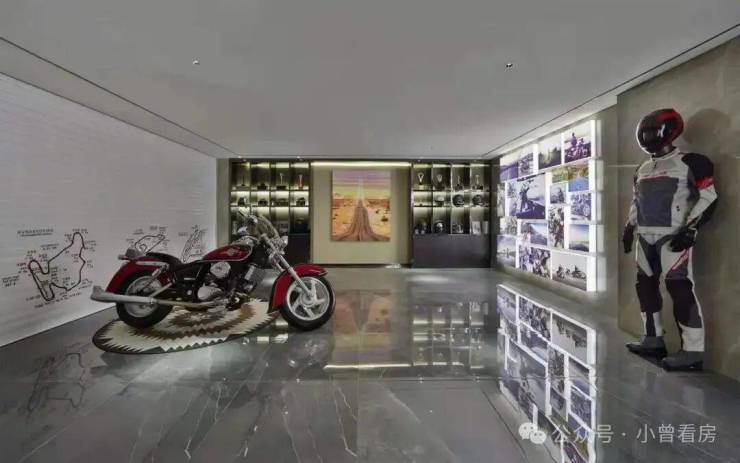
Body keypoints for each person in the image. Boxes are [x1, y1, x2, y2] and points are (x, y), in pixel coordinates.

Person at [623, 109, 718, 371]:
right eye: (645, 133)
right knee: (645, 287)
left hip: (673, 236)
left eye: (653, 132)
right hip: (645, 236)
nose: (648, 137)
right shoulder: (642, 168)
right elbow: (636, 201)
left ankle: (693, 350)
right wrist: (629, 227)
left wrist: (691, 229)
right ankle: (652, 339)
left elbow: (709, 197)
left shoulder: (691, 162)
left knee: (680, 289)